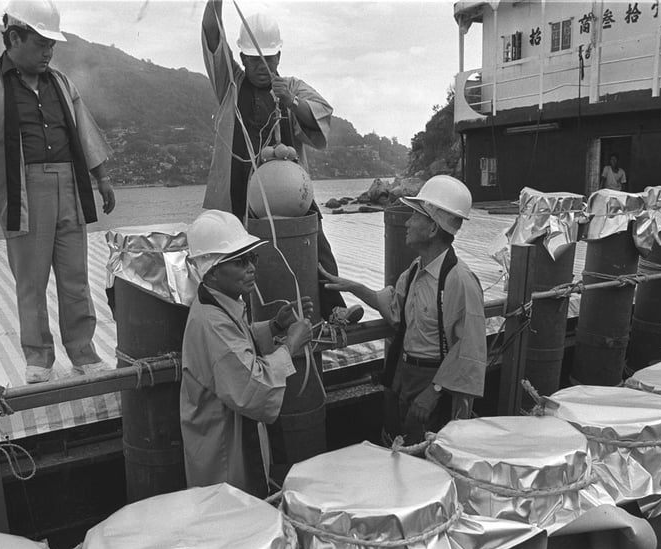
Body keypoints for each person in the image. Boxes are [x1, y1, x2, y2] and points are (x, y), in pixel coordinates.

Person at [0, 0, 115, 384]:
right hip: (23, 189)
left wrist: (102, 178)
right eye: (41, 43)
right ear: (14, 38)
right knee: (30, 279)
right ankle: (38, 357)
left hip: (69, 183)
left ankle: (83, 350)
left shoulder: (63, 84)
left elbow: (84, 133)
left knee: (75, 276)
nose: (49, 52)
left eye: (52, 44)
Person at [200, 0, 360, 324]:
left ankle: (334, 307)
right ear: (242, 58)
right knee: (233, 256)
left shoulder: (293, 87)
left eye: (269, 57)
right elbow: (211, 34)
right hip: (239, 194)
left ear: (279, 57)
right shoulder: (230, 83)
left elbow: (320, 114)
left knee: (315, 240)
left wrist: (292, 102)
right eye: (254, 59)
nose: (262, 65)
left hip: (287, 191)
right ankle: (235, 320)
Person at [321, 175, 486, 443]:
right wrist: (355, 287)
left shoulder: (460, 281)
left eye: (414, 217)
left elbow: (470, 348)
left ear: (432, 228)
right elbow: (396, 311)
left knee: (426, 454)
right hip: (404, 374)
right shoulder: (414, 272)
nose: (407, 223)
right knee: (399, 442)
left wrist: (433, 392)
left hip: (433, 380)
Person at [180, 210, 313, 496]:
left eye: (253, 258)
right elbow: (255, 386)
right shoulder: (211, 322)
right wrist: (290, 345)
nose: (251, 267)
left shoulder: (218, 304)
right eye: (240, 262)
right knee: (234, 518)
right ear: (211, 270)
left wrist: (276, 325)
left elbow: (238, 343)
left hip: (231, 437)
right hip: (225, 452)